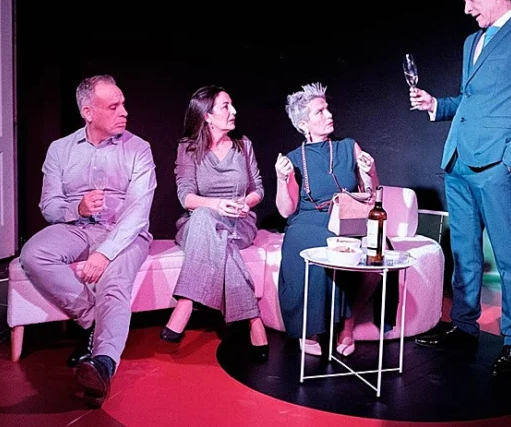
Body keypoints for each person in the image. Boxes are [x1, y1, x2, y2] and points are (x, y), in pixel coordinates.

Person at [409, 0, 511, 376]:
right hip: (458, 161)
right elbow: (469, 100)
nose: (467, 7)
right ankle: (464, 325)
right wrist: (436, 105)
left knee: (508, 256)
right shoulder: (473, 41)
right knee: (464, 251)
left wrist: (510, 164)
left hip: (495, 166)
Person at [19, 74, 157, 407]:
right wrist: (76, 208)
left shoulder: (139, 149)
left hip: (124, 232)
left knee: (114, 282)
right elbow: (48, 206)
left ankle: (103, 364)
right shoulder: (60, 150)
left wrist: (105, 253)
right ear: (88, 112)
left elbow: (138, 212)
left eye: (123, 103)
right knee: (34, 253)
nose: (124, 111)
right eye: (113, 106)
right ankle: (94, 319)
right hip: (76, 226)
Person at [160, 86, 269, 362]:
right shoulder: (188, 148)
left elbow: (258, 189)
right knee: (205, 219)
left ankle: (186, 301)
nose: (234, 111)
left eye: (232, 105)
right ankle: (253, 319)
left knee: (220, 235)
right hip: (198, 222)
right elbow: (186, 196)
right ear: (207, 116)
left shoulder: (243, 146)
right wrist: (217, 205)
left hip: (239, 222)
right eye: (225, 106)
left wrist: (246, 203)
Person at [275, 82, 378, 357]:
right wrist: (282, 179)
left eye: (327, 108)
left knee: (376, 253)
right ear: (303, 124)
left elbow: (370, 195)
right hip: (308, 220)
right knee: (320, 242)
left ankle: (347, 325)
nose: (329, 114)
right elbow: (286, 210)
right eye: (320, 112)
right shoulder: (294, 158)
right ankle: (308, 329)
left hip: (346, 217)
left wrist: (369, 171)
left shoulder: (349, 147)